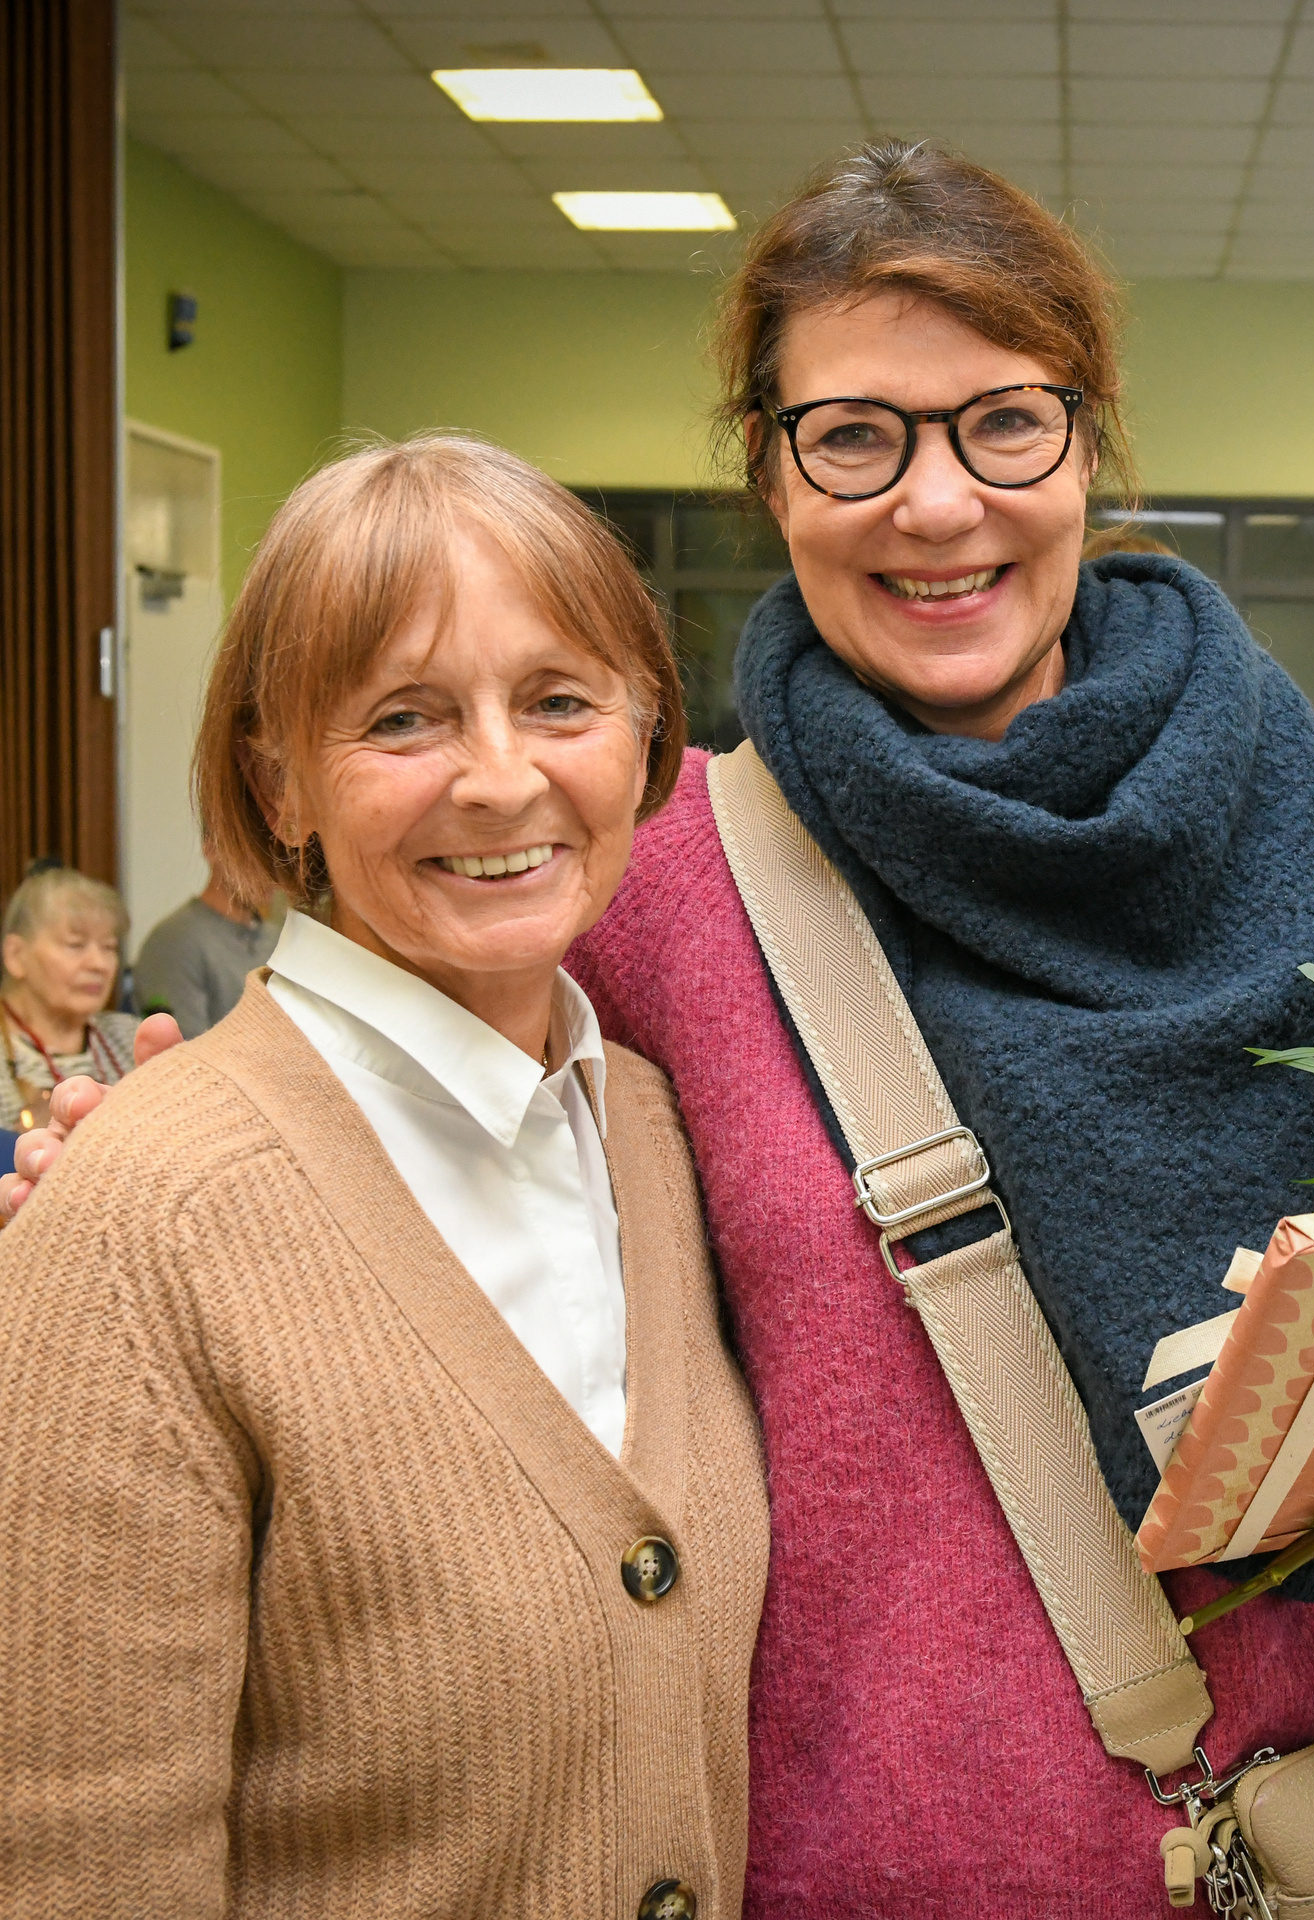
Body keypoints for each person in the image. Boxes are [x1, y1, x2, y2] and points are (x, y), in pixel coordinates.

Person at [7, 143, 1314, 1916]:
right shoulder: (663, 880)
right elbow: (414, 1134)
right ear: (769, 471)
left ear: (1088, 444)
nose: (936, 503)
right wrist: (120, 1183)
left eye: (1004, 423)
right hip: (849, 1872)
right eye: (854, 436)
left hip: (1305, 1853)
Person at [0, 437, 768, 1917]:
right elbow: (77, 1867)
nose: (501, 777)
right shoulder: (144, 1218)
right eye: (404, 720)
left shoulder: (662, 1137)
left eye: (559, 701)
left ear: (646, 738)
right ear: (277, 780)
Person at [1, 866, 141, 1134]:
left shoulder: (131, 1036)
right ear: (15, 955)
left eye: (109, 947)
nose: (99, 964)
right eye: (76, 945)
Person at [132, 842, 280, 1035]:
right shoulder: (174, 942)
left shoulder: (279, 938)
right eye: (257, 849)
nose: (272, 866)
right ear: (212, 848)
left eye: (281, 853)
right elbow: (185, 1046)